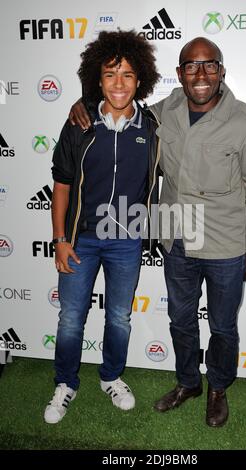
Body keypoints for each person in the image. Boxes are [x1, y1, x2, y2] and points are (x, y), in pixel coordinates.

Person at [69, 37, 246, 427]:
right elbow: (119, 104)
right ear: (179, 74)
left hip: (225, 241)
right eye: (191, 66)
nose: (200, 74)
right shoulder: (164, 111)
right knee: (180, 320)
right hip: (177, 236)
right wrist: (84, 100)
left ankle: (218, 388)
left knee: (223, 325)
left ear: (221, 71)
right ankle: (188, 382)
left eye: (209, 65)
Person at [44, 30, 160, 424]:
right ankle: (65, 383)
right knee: (71, 318)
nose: (119, 84)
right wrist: (60, 240)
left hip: (126, 240)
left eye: (127, 74)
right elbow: (60, 185)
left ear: (140, 78)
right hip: (82, 240)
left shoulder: (153, 127)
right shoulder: (79, 123)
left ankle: (111, 376)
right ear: (98, 79)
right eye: (110, 74)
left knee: (119, 318)